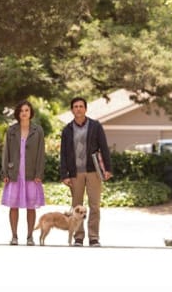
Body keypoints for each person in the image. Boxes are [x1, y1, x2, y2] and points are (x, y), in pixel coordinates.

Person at [59, 97, 112, 247]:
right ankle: (79, 237)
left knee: (94, 205)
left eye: (81, 106)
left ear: (86, 109)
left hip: (93, 171)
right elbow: (63, 153)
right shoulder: (67, 130)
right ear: (72, 110)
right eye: (75, 106)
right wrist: (64, 175)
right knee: (76, 206)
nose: (78, 109)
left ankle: (94, 237)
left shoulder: (95, 126)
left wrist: (107, 169)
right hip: (75, 173)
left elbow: (104, 148)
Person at [1, 100, 45, 246]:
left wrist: (39, 173)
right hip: (14, 173)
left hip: (31, 173)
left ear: (30, 112)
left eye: (26, 110)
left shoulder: (37, 130)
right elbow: (5, 152)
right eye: (21, 111)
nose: (24, 113)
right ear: (18, 113)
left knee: (31, 206)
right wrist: (5, 172)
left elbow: (41, 153)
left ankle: (30, 237)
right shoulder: (11, 130)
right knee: (13, 205)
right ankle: (14, 236)